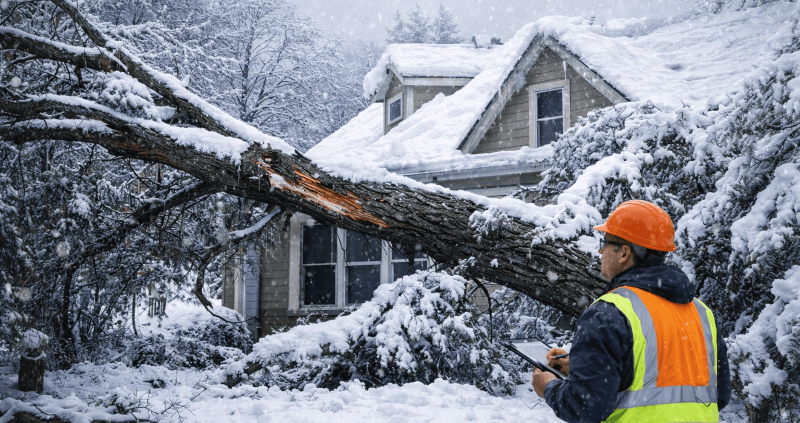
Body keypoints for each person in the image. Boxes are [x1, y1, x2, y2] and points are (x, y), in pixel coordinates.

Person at [531, 200, 731, 422]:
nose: (600, 250)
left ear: (624, 253)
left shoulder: (608, 313)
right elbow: (719, 395)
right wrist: (585, 369)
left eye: (604, 242)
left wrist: (548, 386)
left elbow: (584, 407)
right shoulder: (701, 313)